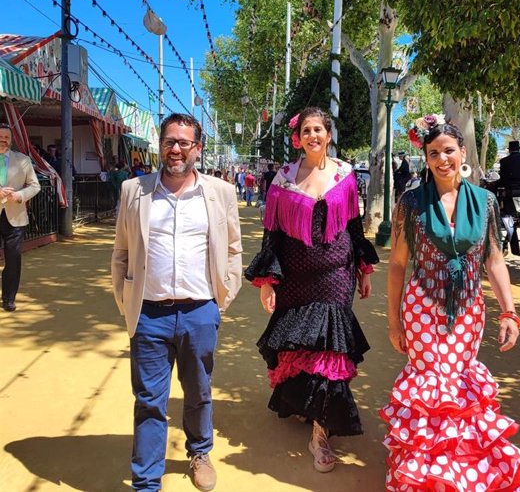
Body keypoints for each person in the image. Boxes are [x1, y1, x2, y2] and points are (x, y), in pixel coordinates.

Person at [383, 114, 520, 492]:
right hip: (421, 309)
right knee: (433, 387)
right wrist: (394, 321)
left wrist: (509, 312)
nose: (442, 159)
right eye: (434, 153)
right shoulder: (411, 203)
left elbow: (494, 260)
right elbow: (398, 264)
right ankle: (428, 471)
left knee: (460, 388)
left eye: (449, 150)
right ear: (426, 157)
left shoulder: (484, 202)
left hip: (467, 310)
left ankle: (460, 468)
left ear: (462, 152)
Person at [111, 113, 243, 492]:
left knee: (198, 390)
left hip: (200, 311)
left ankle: (200, 452)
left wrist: (222, 300)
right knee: (149, 400)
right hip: (149, 313)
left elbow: (233, 248)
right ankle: (146, 481)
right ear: (160, 145)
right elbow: (121, 251)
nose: (176, 149)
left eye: (184, 142)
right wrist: (125, 299)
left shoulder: (220, 193)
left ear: (197, 148)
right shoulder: (134, 190)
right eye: (170, 141)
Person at [244, 106, 379, 473]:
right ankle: (305, 404)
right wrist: (268, 280)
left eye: (319, 129)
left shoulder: (346, 175)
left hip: (337, 274)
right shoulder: (283, 178)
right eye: (307, 130)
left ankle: (321, 434)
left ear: (329, 134)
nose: (313, 136)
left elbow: (353, 225)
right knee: (300, 344)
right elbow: (271, 231)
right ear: (298, 137)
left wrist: (363, 268)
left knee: (329, 349)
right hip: (295, 277)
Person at [0, 122, 41, 312]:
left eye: (6, 137)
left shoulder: (23, 160)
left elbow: (35, 186)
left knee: (13, 259)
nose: (3, 140)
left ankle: (9, 298)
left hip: (16, 217)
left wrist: (20, 196)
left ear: (11, 139)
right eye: (0, 136)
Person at [498, 140, 520, 256]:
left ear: (509, 150)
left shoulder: (504, 161)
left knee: (508, 218)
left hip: (511, 195)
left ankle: (511, 245)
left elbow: (503, 180)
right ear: (519, 149)